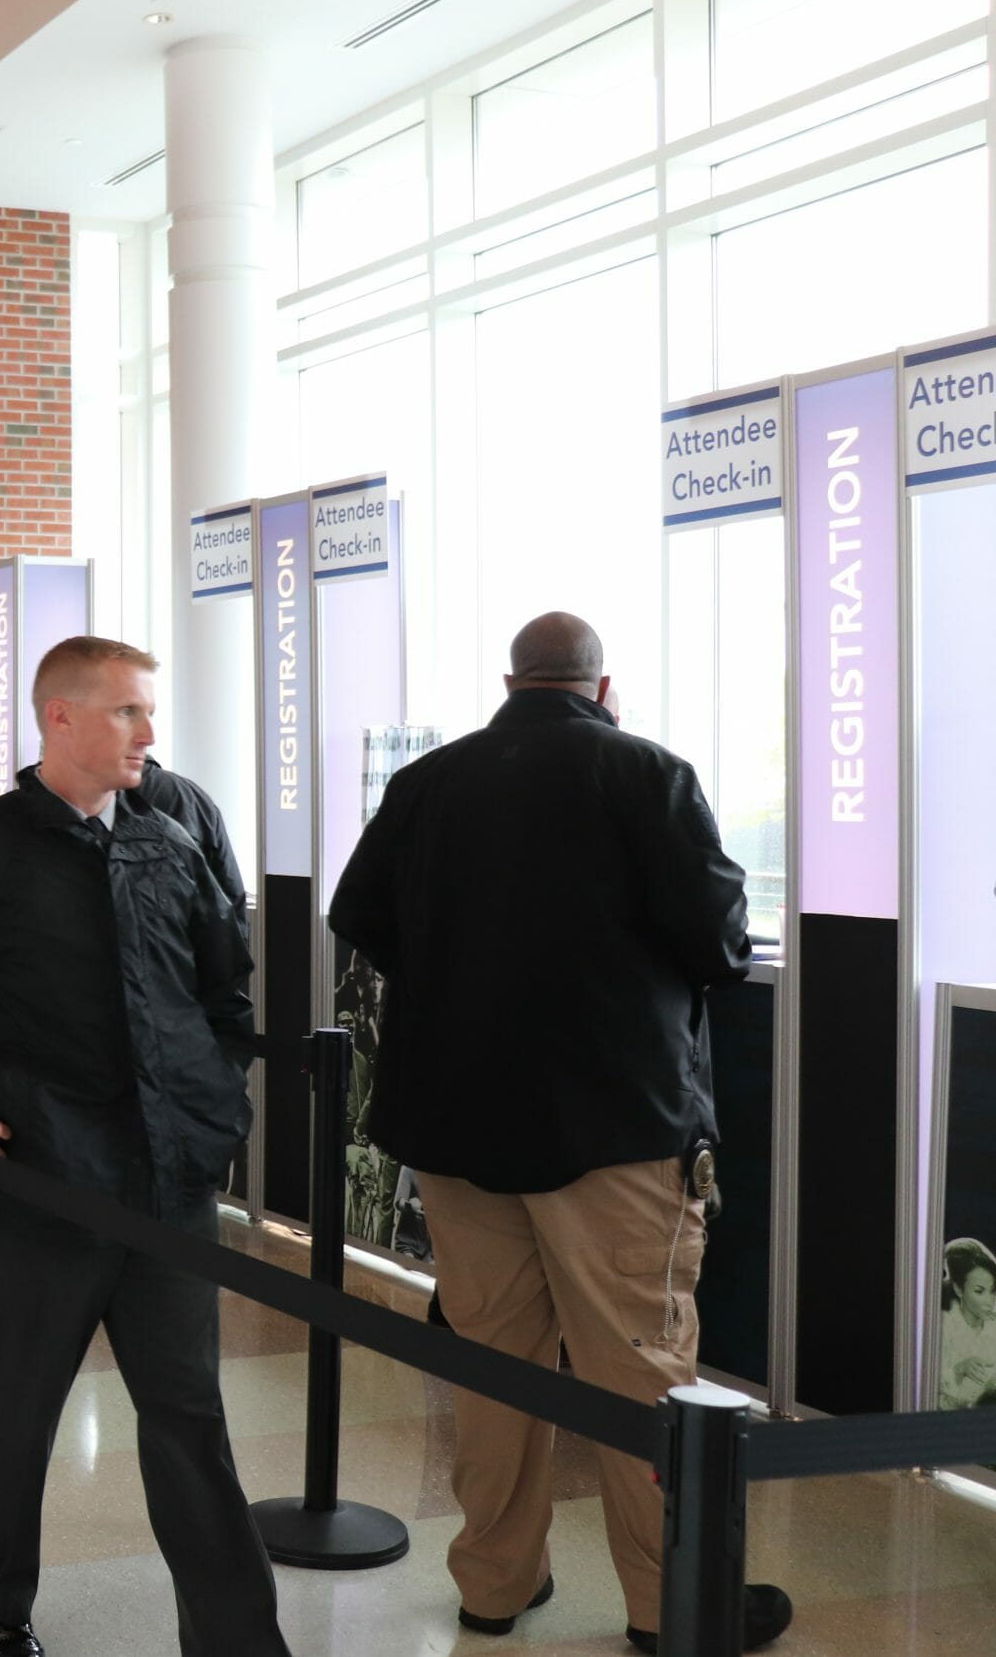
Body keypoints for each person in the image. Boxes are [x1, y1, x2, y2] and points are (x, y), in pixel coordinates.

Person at [328, 611, 786, 1656]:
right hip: (615, 1130)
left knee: (493, 1362)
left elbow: (360, 915)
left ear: (510, 683)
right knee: (642, 1371)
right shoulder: (648, 774)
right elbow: (720, 944)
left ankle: (495, 1583)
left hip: (456, 1128)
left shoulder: (427, 782)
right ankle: (667, 1606)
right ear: (602, 687)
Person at [0, 636, 282, 1657]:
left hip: (168, 1187)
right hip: (43, 1180)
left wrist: (210, 1104)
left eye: (148, 710)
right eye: (128, 711)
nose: (150, 731)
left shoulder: (167, 842)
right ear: (60, 718)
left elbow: (222, 990)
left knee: (190, 1419)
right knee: (20, 1410)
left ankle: (238, 1638)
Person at [940, 1239, 996, 1410]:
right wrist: (958, 1370)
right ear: (958, 1289)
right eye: (979, 1291)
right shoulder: (941, 1328)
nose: (990, 1301)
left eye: (993, 1291)